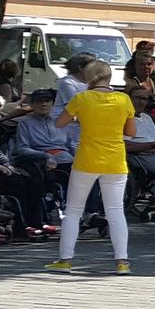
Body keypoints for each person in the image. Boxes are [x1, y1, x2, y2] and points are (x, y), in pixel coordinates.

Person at [46, 61, 136, 274]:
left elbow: (59, 123)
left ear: (89, 77)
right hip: (115, 160)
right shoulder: (124, 100)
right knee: (116, 212)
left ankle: (65, 259)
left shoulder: (82, 98)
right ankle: (122, 262)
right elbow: (130, 132)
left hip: (87, 159)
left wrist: (79, 118)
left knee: (73, 211)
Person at [15, 90, 75, 172]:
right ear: (32, 104)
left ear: (52, 103)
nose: (44, 104)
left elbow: (71, 146)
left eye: (47, 101)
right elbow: (22, 148)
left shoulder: (60, 120)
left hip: (66, 157)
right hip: (41, 159)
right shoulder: (25, 122)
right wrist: (46, 156)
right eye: (39, 101)